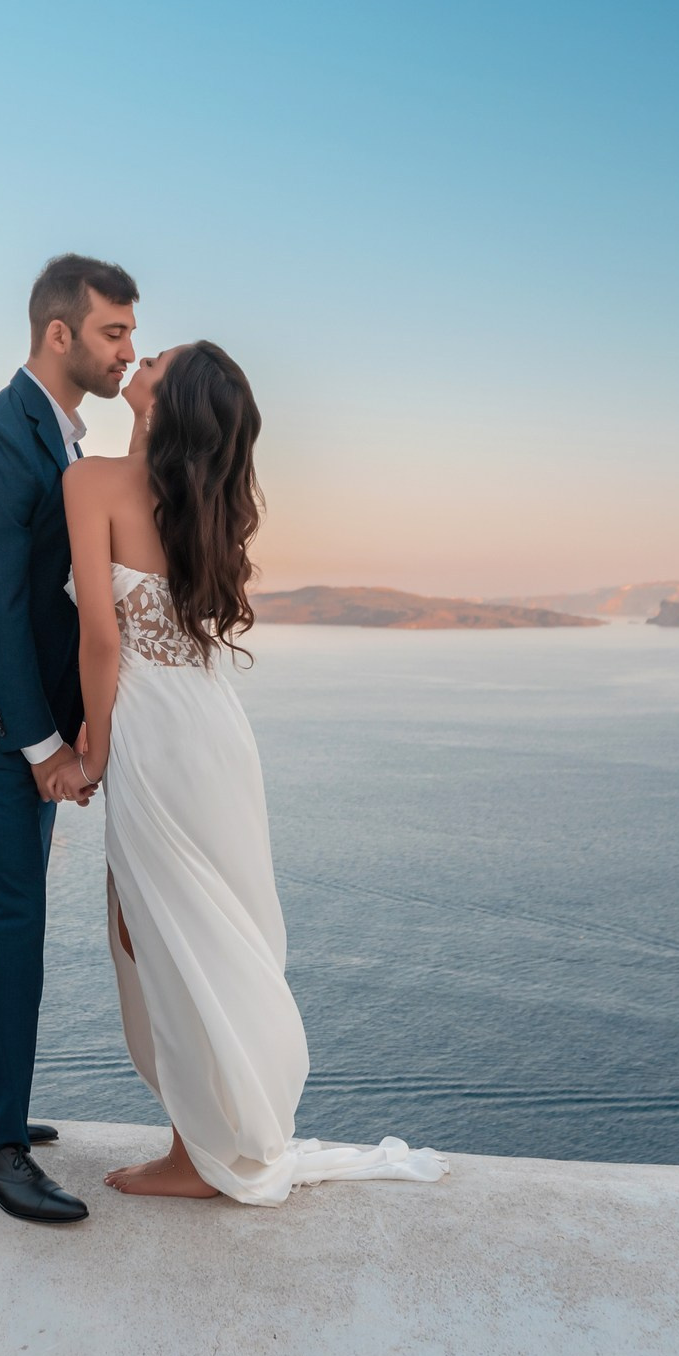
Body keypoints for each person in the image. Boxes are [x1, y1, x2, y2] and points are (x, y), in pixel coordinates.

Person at [61, 342, 449, 1205]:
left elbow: (102, 638)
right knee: (197, 926)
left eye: (158, 357)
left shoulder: (91, 484)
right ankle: (207, 1136)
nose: (144, 352)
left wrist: (90, 752)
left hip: (153, 734)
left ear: (170, 396)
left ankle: (196, 1151)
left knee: (156, 932)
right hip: (212, 733)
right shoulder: (201, 502)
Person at [0, 254, 136, 1224]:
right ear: (60, 334)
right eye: (113, 333)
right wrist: (45, 748)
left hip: (17, 725)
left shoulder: (58, 440)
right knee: (13, 923)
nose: (128, 349)